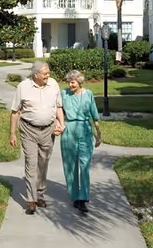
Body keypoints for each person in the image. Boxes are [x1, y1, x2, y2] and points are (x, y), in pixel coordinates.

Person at [9, 61, 65, 215]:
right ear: (36, 75)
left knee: (43, 163)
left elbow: (58, 107)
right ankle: (31, 200)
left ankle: (40, 194)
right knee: (31, 164)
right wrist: (12, 133)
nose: (49, 76)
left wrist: (62, 124)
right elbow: (15, 111)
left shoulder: (53, 84)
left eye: (48, 73)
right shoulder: (23, 86)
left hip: (48, 130)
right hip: (28, 130)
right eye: (45, 73)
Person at [60, 70, 101, 213]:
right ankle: (75, 197)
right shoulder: (63, 94)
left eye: (73, 82)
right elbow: (58, 111)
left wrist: (99, 134)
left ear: (79, 82)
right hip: (69, 130)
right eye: (69, 82)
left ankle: (83, 198)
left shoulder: (88, 94)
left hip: (85, 130)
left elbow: (94, 115)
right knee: (70, 165)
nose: (70, 84)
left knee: (84, 165)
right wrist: (58, 124)